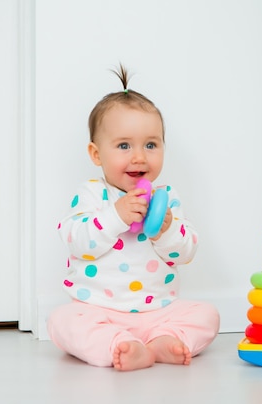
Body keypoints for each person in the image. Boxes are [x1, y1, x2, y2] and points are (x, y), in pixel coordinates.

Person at [47, 64, 220, 371]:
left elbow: (187, 252)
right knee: (61, 321)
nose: (139, 156)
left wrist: (166, 229)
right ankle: (117, 344)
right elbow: (77, 242)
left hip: (158, 312)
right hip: (99, 311)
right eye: (124, 146)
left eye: (150, 145)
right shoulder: (91, 195)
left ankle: (161, 341)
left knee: (207, 315)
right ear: (97, 154)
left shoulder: (165, 198)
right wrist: (116, 215)